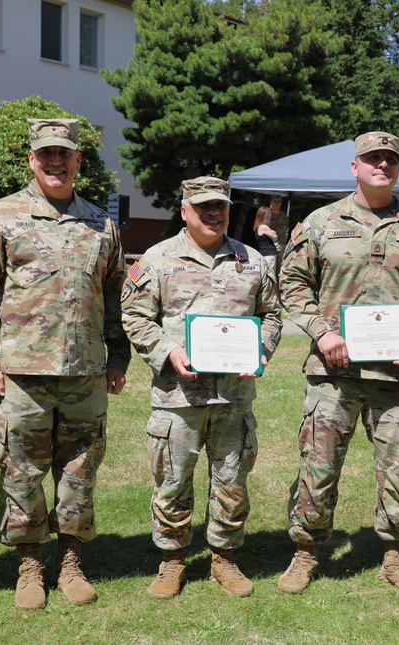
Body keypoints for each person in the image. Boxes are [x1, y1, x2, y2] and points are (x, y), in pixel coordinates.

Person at [277, 131, 399, 601]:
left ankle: (396, 558)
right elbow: (292, 283)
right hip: (332, 373)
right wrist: (323, 332)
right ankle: (306, 552)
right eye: (372, 159)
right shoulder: (321, 222)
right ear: (354, 166)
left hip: (396, 375)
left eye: (390, 160)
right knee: (317, 467)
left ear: (398, 168)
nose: (382, 165)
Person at [0, 118, 130, 609]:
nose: (55, 162)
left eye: (65, 154)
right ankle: (30, 566)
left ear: (78, 160)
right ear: (31, 160)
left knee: (80, 470)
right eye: (46, 154)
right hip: (22, 373)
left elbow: (115, 295)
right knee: (21, 469)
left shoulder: (101, 223)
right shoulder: (2, 216)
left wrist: (117, 356)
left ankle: (72, 563)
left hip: (85, 372)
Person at [122, 176, 281, 599]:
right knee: (172, 482)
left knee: (231, 481)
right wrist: (169, 350)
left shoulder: (251, 260)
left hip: (234, 396)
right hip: (178, 399)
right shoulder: (157, 260)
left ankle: (224, 560)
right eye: (204, 206)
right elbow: (135, 316)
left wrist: (261, 350)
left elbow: (273, 315)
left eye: (221, 207)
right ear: (185, 210)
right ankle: (171, 561)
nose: (213, 213)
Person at [253, 206, 279, 273]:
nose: (270, 215)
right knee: (270, 274)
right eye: (269, 213)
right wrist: (273, 232)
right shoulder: (263, 227)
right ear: (265, 216)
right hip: (269, 255)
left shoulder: (258, 227)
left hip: (264, 254)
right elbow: (275, 237)